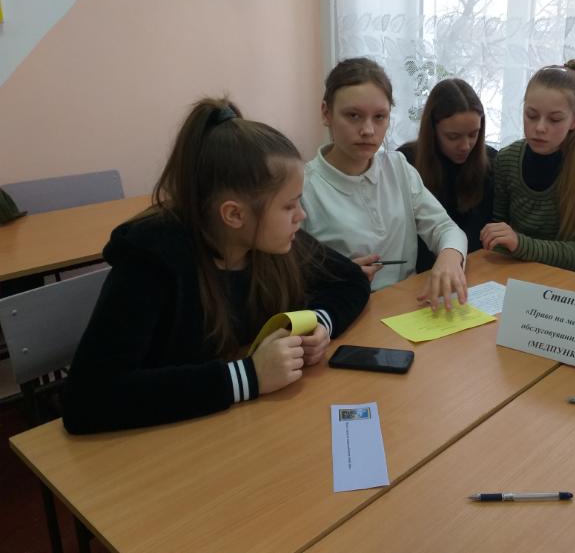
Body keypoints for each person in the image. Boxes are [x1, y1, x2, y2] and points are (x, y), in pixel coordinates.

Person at [62, 99, 370, 434]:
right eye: (289, 206)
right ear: (234, 214)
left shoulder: (272, 241)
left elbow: (350, 279)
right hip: (165, 440)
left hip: (241, 428)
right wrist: (249, 375)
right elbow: (87, 398)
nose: (301, 215)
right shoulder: (152, 260)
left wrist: (319, 323)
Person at [301, 57, 468, 309]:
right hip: (347, 310)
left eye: (380, 117)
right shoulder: (304, 188)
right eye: (353, 115)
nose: (368, 130)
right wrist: (335, 276)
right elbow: (289, 276)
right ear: (326, 113)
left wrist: (449, 258)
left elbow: (445, 228)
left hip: (409, 304)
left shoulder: (397, 167)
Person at [480, 60, 575, 273]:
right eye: (531, 115)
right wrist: (505, 242)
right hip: (515, 277)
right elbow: (497, 239)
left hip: (567, 285)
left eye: (555, 119)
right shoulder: (507, 159)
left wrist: (520, 244)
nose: (540, 128)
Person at [398, 78, 497, 273]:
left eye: (473, 134)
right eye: (453, 136)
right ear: (432, 130)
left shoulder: (491, 162)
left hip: (478, 271)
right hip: (423, 275)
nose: (465, 146)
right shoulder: (406, 162)